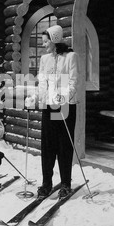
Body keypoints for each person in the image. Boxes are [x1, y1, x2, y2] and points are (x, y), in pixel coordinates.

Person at [26, 25, 78, 198]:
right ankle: (46, 183)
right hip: (49, 107)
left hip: (65, 107)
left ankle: (65, 184)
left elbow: (73, 83)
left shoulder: (71, 57)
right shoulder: (45, 59)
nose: (43, 45)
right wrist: (35, 97)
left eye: (46, 41)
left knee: (64, 146)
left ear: (55, 40)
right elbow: (42, 83)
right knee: (48, 147)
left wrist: (61, 99)